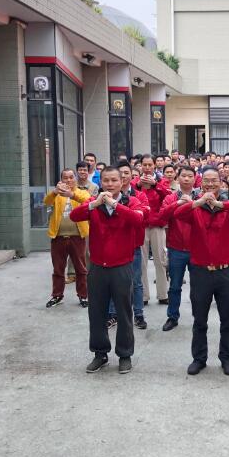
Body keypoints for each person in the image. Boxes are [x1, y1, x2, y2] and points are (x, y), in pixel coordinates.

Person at [70, 166, 145, 374]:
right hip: (98, 267)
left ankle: (125, 354)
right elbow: (74, 216)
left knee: (124, 312)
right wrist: (94, 204)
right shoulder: (93, 203)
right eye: (106, 180)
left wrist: (115, 204)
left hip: (122, 266)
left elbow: (138, 220)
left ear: (122, 182)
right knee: (96, 312)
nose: (110, 184)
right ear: (100, 182)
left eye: (114, 180)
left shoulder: (131, 202)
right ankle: (100, 353)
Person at [174, 167, 229, 376]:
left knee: (227, 319)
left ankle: (227, 358)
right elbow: (178, 214)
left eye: (215, 180)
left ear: (221, 183)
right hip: (200, 271)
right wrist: (197, 202)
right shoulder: (194, 207)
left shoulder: (227, 205)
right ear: (201, 183)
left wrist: (219, 204)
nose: (211, 184)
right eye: (207, 180)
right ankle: (199, 358)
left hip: (225, 271)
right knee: (199, 319)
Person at [111, 161, 150, 330]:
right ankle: (112, 314)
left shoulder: (139, 196)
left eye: (127, 173)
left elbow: (143, 216)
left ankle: (138, 314)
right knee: (113, 281)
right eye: (120, 173)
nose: (124, 176)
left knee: (136, 281)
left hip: (134, 244)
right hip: (114, 245)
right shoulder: (107, 195)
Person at [44, 169, 91, 308]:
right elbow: (46, 202)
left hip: (77, 237)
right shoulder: (56, 194)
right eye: (65, 178)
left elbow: (87, 201)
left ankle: (83, 296)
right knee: (58, 269)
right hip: (58, 237)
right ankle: (57, 295)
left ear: (75, 178)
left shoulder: (81, 192)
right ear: (61, 180)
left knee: (81, 268)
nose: (69, 180)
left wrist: (72, 194)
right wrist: (54, 192)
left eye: (71, 177)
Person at [157, 166, 196, 331]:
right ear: (177, 178)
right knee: (174, 286)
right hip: (176, 248)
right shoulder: (170, 198)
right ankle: (172, 317)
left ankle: (199, 317)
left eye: (190, 176)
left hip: (197, 249)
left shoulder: (200, 197)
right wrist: (177, 203)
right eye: (183, 176)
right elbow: (161, 217)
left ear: (195, 178)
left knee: (198, 287)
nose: (186, 179)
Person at [136, 154, 170, 305]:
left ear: (155, 165)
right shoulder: (135, 182)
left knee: (160, 261)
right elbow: (130, 196)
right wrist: (138, 186)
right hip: (141, 226)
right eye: (145, 165)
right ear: (141, 166)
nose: (147, 168)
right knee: (141, 262)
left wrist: (155, 185)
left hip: (157, 225)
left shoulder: (162, 181)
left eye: (150, 165)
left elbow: (168, 196)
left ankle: (163, 294)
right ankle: (144, 295)